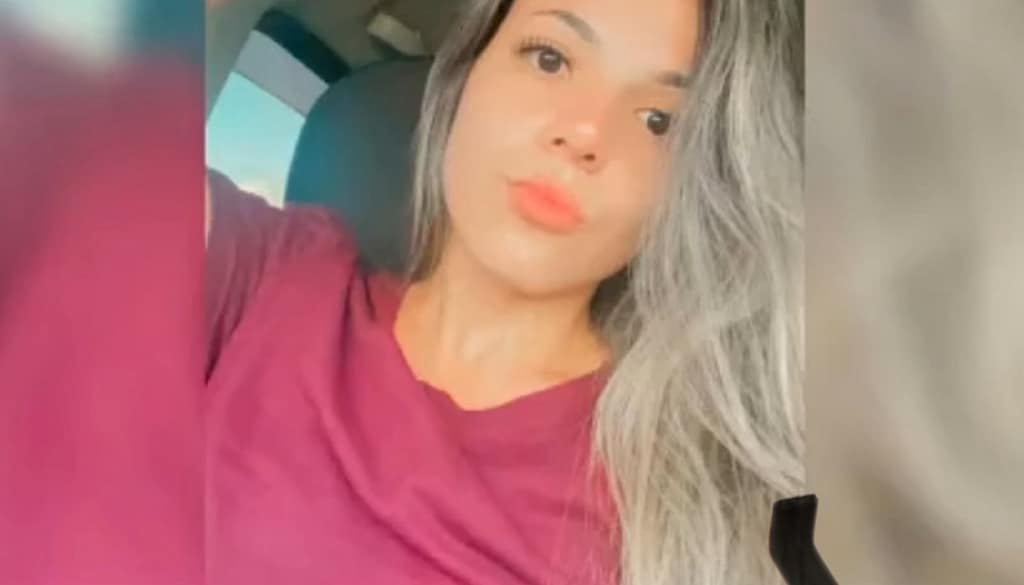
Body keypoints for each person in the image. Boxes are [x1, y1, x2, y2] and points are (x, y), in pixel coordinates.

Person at [0, 0, 803, 583]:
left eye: (661, 121)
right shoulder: (272, 272)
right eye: (551, 58)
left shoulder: (680, 484)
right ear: (463, 78)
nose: (586, 131)